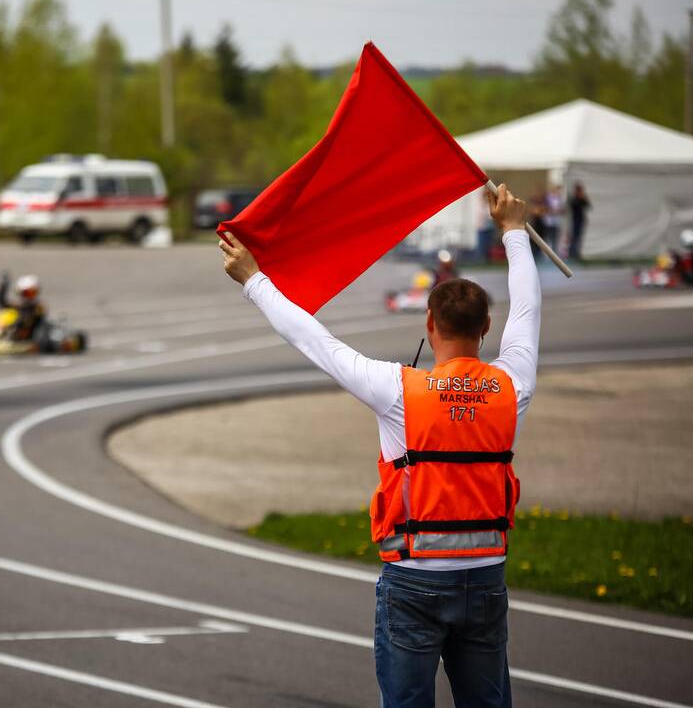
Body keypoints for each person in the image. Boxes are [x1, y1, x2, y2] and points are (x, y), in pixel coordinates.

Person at [220, 184, 540, 708]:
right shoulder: (513, 385)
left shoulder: (397, 390)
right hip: (485, 578)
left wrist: (254, 279)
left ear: (429, 325)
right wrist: (513, 232)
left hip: (412, 582)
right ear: (486, 328)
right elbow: (526, 311)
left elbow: (313, 340)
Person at [0, 272, 47, 341]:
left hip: (31, 335)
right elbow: (2, 303)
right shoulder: (18, 306)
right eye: (27, 293)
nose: (29, 297)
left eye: (32, 293)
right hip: (12, 331)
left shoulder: (38, 307)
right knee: (5, 315)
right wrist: (4, 285)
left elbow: (39, 321)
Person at [567, 182, 591, 260]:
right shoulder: (573, 198)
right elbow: (572, 206)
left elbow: (588, 206)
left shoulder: (582, 198)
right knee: (574, 237)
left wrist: (583, 198)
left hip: (581, 220)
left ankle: (576, 253)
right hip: (575, 220)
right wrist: (579, 198)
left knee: (579, 237)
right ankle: (572, 253)